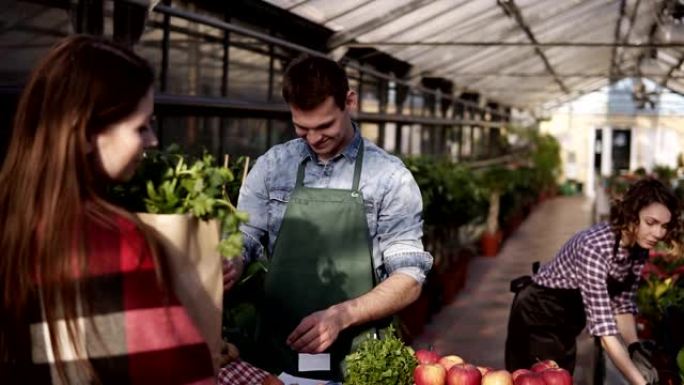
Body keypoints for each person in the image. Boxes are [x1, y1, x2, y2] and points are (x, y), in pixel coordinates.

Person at [0, 36, 215, 384]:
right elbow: (178, 374)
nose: (153, 141)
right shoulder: (115, 244)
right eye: (140, 127)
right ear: (84, 133)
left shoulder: (13, 221)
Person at [222, 54, 432, 382]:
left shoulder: (389, 177)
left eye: (324, 126)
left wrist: (341, 315)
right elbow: (245, 234)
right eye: (302, 128)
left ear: (349, 101)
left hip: (360, 356)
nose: (314, 139)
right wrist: (231, 260)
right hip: (277, 349)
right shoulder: (273, 166)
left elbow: (409, 277)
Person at [505, 178, 681, 385]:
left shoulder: (638, 247)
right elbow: (605, 331)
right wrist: (639, 382)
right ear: (631, 215)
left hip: (568, 319)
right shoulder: (595, 247)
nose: (658, 234)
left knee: (560, 376)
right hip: (539, 312)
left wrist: (634, 348)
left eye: (664, 226)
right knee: (537, 380)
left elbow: (622, 305)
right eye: (651, 223)